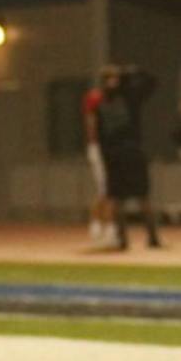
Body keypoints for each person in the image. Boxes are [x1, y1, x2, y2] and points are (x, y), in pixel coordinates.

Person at [92, 63, 163, 251]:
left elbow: (152, 82)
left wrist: (132, 72)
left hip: (130, 152)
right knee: (120, 200)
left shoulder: (127, 98)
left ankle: (152, 238)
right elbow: (101, 135)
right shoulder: (109, 103)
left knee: (141, 197)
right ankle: (123, 238)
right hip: (119, 155)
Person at [81, 82, 113, 248]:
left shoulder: (113, 101)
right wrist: (96, 144)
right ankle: (99, 225)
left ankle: (105, 226)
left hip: (108, 149)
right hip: (99, 149)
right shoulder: (96, 100)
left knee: (108, 190)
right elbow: (91, 124)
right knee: (104, 189)